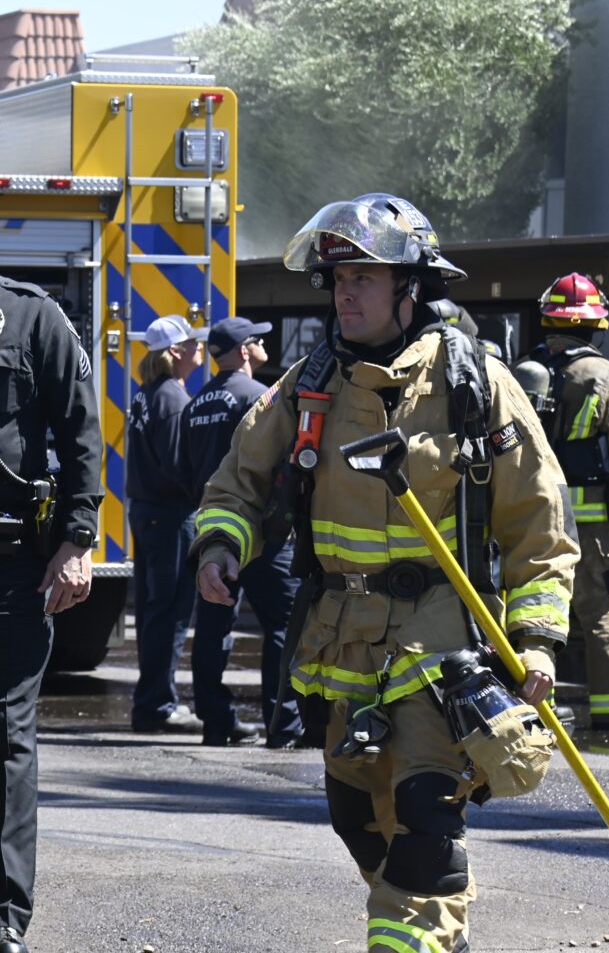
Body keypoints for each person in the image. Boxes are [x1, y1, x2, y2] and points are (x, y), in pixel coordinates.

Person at [189, 193, 579, 953]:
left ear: (411, 286)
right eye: (339, 280)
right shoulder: (310, 383)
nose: (346, 293)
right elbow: (238, 483)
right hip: (340, 643)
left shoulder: (474, 384)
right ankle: (429, 935)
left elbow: (538, 520)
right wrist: (221, 548)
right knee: (359, 820)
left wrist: (536, 641)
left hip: (443, 644)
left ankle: (411, 935)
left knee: (427, 821)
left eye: (364, 277)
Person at [0, 276, 103, 953]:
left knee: (7, 736)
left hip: (11, 565)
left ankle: (4, 915)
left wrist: (77, 539)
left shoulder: (32, 317)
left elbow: (80, 432)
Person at [181, 316, 304, 747]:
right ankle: (283, 725)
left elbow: (185, 470)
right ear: (244, 350)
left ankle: (215, 723)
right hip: (265, 533)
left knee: (212, 627)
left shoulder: (195, 403)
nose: (264, 344)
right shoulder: (261, 398)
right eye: (258, 339)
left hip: (215, 532)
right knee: (283, 627)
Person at [514, 272, 609, 730]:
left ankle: (535, 711)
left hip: (529, 510)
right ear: (596, 326)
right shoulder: (604, 375)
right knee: (601, 613)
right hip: (591, 520)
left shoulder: (522, 372)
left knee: (533, 611)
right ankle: (608, 719)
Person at [127, 314, 208, 733]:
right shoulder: (173, 398)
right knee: (170, 611)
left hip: (148, 513)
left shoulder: (147, 393)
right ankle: (158, 704)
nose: (200, 348)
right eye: (193, 343)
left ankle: (152, 701)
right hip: (171, 516)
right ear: (176, 352)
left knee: (153, 610)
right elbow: (178, 465)